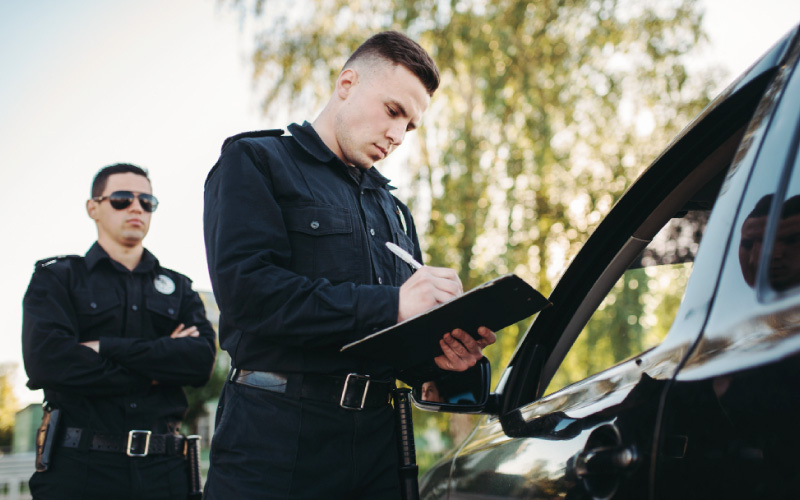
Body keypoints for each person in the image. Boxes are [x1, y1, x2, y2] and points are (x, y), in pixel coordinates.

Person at [203, 31, 497, 499]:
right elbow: (248, 294)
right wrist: (394, 303)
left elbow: (399, 345)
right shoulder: (257, 160)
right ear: (347, 84)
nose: (398, 136)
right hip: (275, 444)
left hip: (380, 448)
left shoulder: (393, 209)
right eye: (393, 111)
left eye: (410, 126)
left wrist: (448, 358)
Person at [22, 163, 217, 500]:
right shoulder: (57, 278)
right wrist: (158, 366)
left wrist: (103, 347)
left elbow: (199, 363)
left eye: (147, 201)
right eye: (122, 199)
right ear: (93, 207)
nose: (136, 208)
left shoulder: (181, 288)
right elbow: (48, 362)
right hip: (79, 471)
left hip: (165, 473)